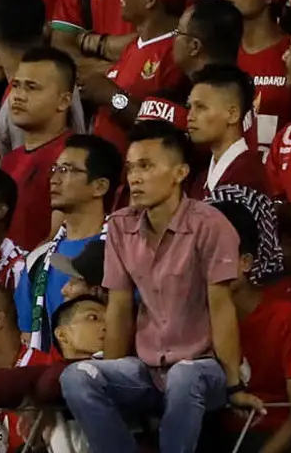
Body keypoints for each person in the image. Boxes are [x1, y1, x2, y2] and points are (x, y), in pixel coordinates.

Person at [62, 122, 242, 453]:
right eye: (131, 168)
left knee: (184, 376)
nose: (135, 177)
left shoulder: (211, 225)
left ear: (179, 173)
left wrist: (233, 384)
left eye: (146, 166)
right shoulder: (120, 225)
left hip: (203, 368)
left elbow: (222, 306)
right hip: (147, 369)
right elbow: (118, 306)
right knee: (77, 376)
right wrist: (111, 372)